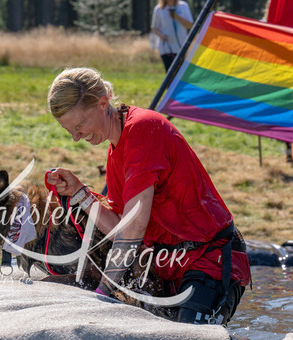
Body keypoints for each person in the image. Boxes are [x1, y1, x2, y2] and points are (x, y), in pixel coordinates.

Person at [46, 67, 251, 325]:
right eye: (69, 131)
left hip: (209, 259)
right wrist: (80, 193)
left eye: (79, 126)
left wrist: (103, 291)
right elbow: (120, 230)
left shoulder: (143, 129)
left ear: (103, 103)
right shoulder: (115, 152)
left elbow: (133, 230)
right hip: (170, 264)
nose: (76, 138)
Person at [151, 0, 193, 72]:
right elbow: (154, 28)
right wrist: (162, 36)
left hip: (181, 47)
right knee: (170, 74)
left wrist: (177, 17)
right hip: (166, 48)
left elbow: (190, 25)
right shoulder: (158, 9)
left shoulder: (183, 6)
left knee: (180, 73)